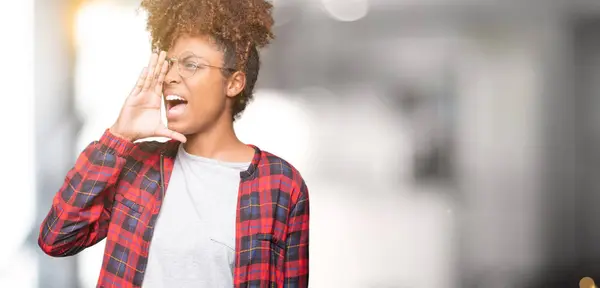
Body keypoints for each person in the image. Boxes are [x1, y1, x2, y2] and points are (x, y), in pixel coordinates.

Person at [37, 0, 309, 287]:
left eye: (191, 65)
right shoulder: (137, 167)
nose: (169, 77)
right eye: (169, 64)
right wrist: (118, 136)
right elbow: (57, 238)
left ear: (234, 83)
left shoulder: (281, 185)